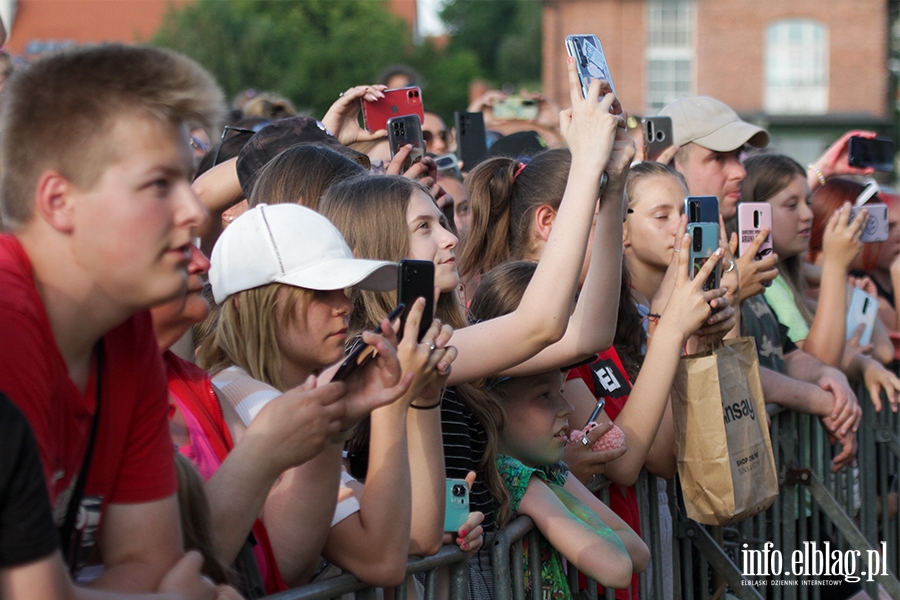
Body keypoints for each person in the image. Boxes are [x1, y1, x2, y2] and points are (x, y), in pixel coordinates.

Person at [0, 43, 236, 598]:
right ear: (59, 200)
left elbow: (151, 563)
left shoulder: (122, 332)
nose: (194, 211)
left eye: (189, 178)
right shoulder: (8, 333)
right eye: (159, 184)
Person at [199, 203, 452, 587]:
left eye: (345, 289)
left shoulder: (269, 392)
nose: (345, 305)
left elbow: (421, 534)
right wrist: (392, 402)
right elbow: (382, 559)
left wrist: (422, 398)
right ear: (247, 302)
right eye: (320, 291)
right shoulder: (249, 397)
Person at [467, 270, 649, 597]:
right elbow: (616, 567)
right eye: (543, 395)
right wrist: (543, 498)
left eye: (561, 389)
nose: (566, 408)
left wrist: (555, 497)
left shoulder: (547, 469)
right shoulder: (515, 477)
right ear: (493, 405)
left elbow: (637, 552)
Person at [740, 154, 900, 414]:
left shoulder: (788, 277)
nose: (807, 214)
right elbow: (819, 362)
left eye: (809, 202)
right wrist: (835, 267)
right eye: (791, 205)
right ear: (753, 214)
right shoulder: (770, 285)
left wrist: (864, 365)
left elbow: (880, 351)